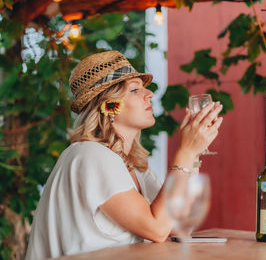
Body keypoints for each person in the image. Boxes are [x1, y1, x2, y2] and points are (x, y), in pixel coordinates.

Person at [25, 51, 223, 260]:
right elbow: (157, 229)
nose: (149, 94)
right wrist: (186, 151)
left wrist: (193, 154)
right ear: (111, 106)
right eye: (135, 90)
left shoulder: (136, 168)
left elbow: (178, 227)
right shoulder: (89, 155)